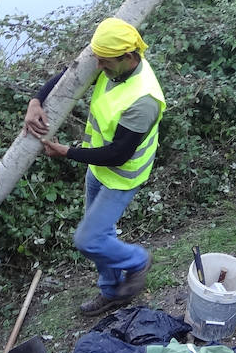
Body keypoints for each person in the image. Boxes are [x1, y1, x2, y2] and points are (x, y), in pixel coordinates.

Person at [24, 18, 166, 316]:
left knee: (88, 239)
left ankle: (137, 261)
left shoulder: (144, 99)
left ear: (128, 57)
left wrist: (67, 152)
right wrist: (36, 101)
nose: (98, 66)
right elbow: (68, 77)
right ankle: (112, 291)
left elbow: (118, 154)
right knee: (101, 236)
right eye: (96, 59)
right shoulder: (110, 60)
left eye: (104, 62)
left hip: (121, 177)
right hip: (97, 168)